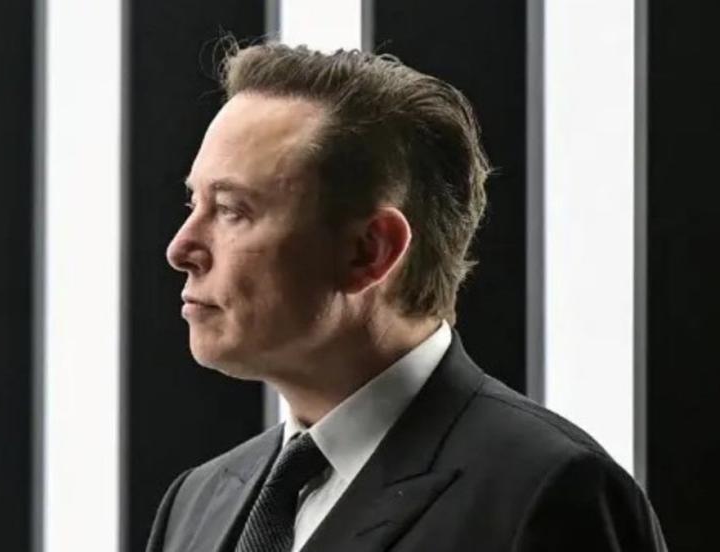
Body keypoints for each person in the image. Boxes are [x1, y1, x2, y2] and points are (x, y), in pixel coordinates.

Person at [147, 40, 667, 552]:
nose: (180, 248)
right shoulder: (196, 502)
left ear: (370, 252)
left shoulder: (549, 493)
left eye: (232, 210)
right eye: (194, 204)